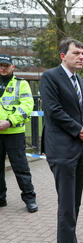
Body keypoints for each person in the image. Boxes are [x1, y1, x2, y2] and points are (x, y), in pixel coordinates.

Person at [39, 38, 83, 243]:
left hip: (79, 149)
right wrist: (78, 130)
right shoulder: (50, 77)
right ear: (63, 55)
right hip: (61, 150)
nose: (81, 56)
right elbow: (54, 111)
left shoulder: (79, 80)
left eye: (82, 53)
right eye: (76, 53)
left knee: (75, 202)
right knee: (67, 203)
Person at [0, 54, 38, 213]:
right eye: (0, 65)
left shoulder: (21, 84)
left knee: (21, 167)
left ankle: (30, 199)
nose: (2, 68)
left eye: (6, 65)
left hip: (14, 132)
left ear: (12, 67)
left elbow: (28, 106)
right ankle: (0, 198)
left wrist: (9, 121)